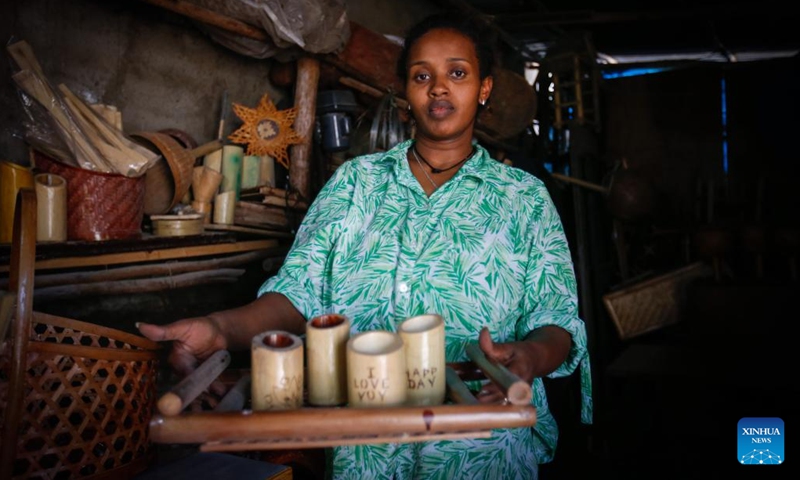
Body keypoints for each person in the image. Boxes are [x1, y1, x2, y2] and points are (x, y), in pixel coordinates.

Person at [138, 11, 592, 479]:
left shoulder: (523, 199)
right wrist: (217, 329)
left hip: (483, 452)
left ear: (484, 89)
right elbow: (299, 292)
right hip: (367, 454)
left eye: (457, 73)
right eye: (422, 75)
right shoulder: (357, 183)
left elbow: (555, 321)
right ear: (405, 92)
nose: (439, 87)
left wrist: (530, 357)